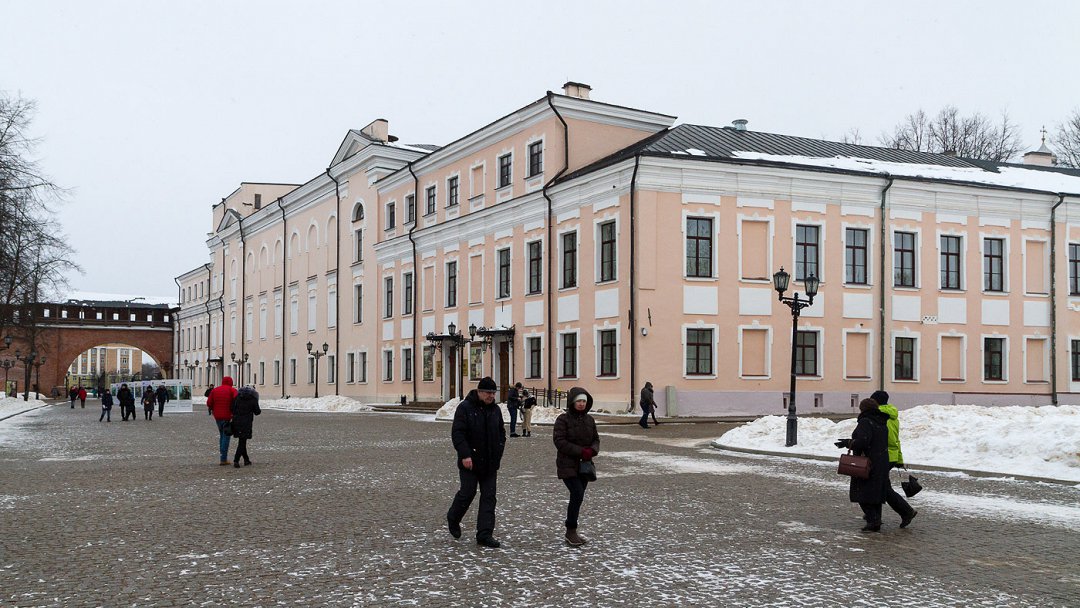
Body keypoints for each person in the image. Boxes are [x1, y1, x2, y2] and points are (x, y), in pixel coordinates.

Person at [447, 376, 506, 548]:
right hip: (470, 462)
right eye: (488, 393)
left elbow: (501, 433)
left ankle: (484, 534)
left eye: (493, 393)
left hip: (490, 463)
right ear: (479, 392)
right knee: (468, 492)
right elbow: (458, 433)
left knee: (489, 497)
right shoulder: (465, 408)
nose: (491, 396)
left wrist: (498, 452)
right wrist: (465, 455)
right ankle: (453, 517)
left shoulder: (495, 410)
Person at [553, 386, 600, 547]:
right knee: (577, 493)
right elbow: (560, 441)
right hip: (567, 464)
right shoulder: (563, 419)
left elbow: (596, 439)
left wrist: (592, 451)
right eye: (579, 401)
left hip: (585, 466)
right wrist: (581, 451)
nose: (581, 404)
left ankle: (572, 531)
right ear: (572, 402)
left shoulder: (590, 420)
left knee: (578, 498)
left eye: (584, 401)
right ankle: (571, 529)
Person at [837, 398, 891, 532]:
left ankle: (873, 520)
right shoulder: (882, 421)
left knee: (861, 492)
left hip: (867, 462)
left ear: (863, 409)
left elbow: (863, 441)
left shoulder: (866, 422)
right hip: (882, 461)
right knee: (876, 493)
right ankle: (875, 520)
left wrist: (847, 443)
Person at [870, 390, 918, 528]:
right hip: (891, 456)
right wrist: (899, 458)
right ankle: (873, 516)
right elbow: (896, 440)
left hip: (880, 455)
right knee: (881, 485)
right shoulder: (893, 416)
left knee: (882, 487)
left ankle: (905, 511)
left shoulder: (877, 416)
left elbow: (881, 438)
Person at [206, 376, 238, 465]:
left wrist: (213, 409)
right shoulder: (232, 390)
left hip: (217, 416)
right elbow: (237, 401)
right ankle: (223, 459)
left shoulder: (215, 390)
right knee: (226, 436)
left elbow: (209, 403)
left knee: (222, 435)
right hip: (227, 416)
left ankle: (222, 456)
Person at [230, 386, 261, 467]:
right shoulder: (253, 399)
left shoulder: (237, 398)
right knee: (242, 442)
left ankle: (246, 460)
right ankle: (236, 460)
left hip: (237, 421)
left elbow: (232, 408)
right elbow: (257, 412)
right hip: (246, 423)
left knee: (242, 440)